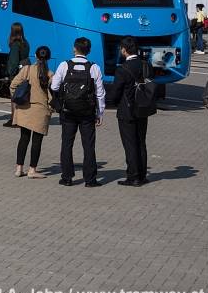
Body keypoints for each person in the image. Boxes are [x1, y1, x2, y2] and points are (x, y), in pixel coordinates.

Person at [50, 37, 106, 188]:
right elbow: (100, 93)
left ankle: (67, 177)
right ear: (89, 51)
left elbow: (54, 86)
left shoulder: (64, 65)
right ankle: (90, 179)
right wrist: (100, 113)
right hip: (87, 112)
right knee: (88, 145)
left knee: (67, 144)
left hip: (68, 111)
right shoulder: (94, 68)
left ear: (74, 48)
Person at [107, 37, 153, 186]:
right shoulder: (146, 64)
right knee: (141, 142)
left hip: (126, 110)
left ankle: (133, 176)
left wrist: (111, 102)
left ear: (124, 50)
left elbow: (116, 92)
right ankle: (142, 175)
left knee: (130, 144)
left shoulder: (122, 69)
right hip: (143, 108)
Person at [10, 46, 53, 179]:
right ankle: (32, 170)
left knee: (24, 139)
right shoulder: (50, 74)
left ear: (35, 55)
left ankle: (19, 169)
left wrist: (18, 100)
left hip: (25, 109)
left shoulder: (27, 69)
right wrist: (50, 108)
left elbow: (13, 85)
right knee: (36, 142)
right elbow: (52, 95)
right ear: (48, 58)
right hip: (41, 110)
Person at [3, 22, 31, 127]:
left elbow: (14, 62)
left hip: (17, 74)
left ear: (13, 32)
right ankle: (21, 119)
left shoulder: (15, 45)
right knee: (21, 95)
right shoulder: (26, 43)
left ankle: (14, 120)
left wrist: (10, 72)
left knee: (14, 96)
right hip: (25, 71)